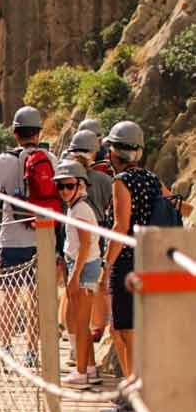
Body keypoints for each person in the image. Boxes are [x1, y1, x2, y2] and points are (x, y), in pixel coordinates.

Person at [97, 121, 192, 412]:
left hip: (126, 262)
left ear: (114, 152)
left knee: (123, 332)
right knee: (133, 331)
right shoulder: (151, 179)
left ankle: (133, 399)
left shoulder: (121, 182)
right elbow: (183, 209)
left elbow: (120, 226)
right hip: (151, 260)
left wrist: (105, 266)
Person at [0, 105, 59, 365]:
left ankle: (6, 349)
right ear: (39, 132)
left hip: (12, 239)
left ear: (14, 132)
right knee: (36, 296)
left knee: (8, 295)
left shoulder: (4, 161)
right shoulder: (51, 160)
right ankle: (32, 353)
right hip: (44, 238)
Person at [65, 129, 114, 352]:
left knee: (72, 293)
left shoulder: (67, 176)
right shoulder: (104, 179)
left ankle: (77, 349)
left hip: (72, 237)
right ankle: (98, 328)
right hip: (99, 235)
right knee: (95, 288)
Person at [54, 161, 101, 386]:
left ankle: (81, 372)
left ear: (80, 185)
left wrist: (74, 277)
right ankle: (90, 368)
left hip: (82, 266)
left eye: (69, 186)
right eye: (60, 186)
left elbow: (84, 245)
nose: (64, 191)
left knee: (81, 323)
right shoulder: (76, 206)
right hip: (81, 265)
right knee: (81, 321)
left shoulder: (80, 209)